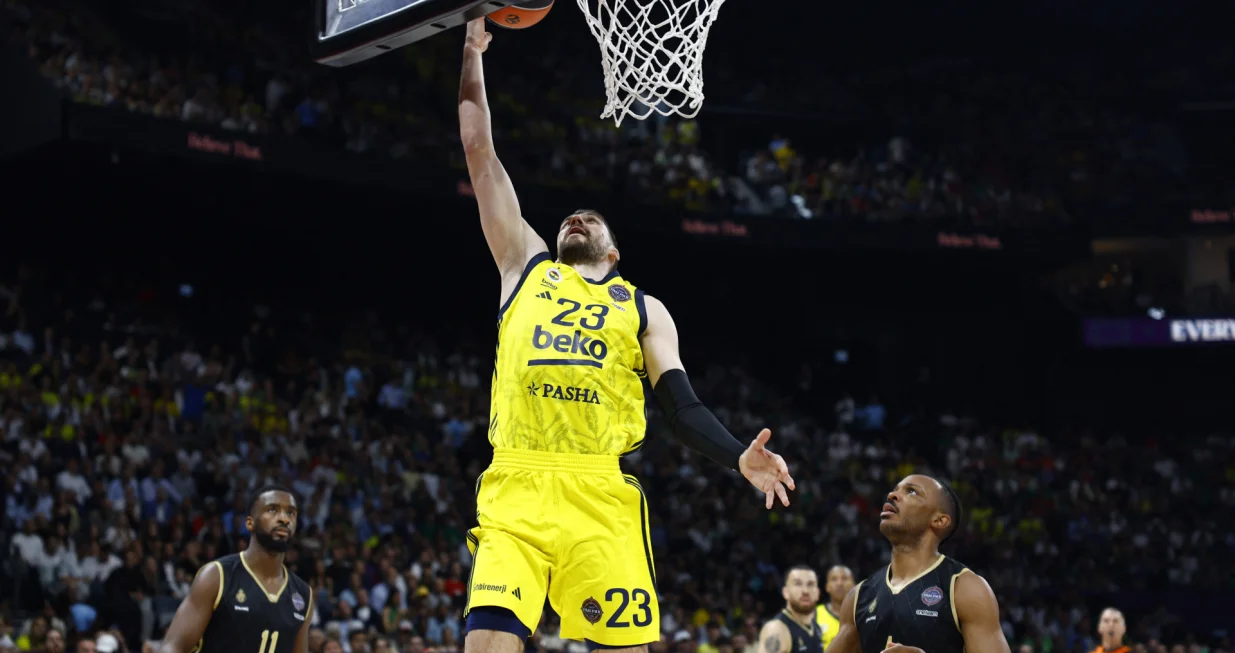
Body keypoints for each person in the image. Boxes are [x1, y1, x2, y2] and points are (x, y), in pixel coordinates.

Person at [457, 17, 796, 653]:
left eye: (593, 218)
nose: (578, 216)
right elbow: (479, 149)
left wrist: (737, 458)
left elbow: (681, 408)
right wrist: (473, 55)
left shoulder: (644, 309)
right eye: (571, 216)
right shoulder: (522, 265)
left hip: (598, 490)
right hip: (518, 486)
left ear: (613, 252)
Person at [825, 475, 1010, 653]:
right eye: (895, 490)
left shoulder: (965, 588)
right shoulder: (859, 596)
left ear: (939, 520)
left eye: (912, 492)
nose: (892, 495)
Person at [160, 486, 314, 653]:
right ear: (250, 523)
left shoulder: (303, 594)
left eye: (291, 513)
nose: (284, 519)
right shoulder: (216, 576)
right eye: (272, 510)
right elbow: (173, 646)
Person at [758, 566, 823, 653]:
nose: (805, 591)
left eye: (810, 584)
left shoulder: (816, 627)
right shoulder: (776, 629)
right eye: (798, 584)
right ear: (785, 592)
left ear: (818, 593)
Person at [816, 566, 854, 649]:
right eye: (834, 579)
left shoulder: (864, 614)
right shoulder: (814, 614)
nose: (839, 583)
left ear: (854, 585)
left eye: (844, 578)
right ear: (827, 587)